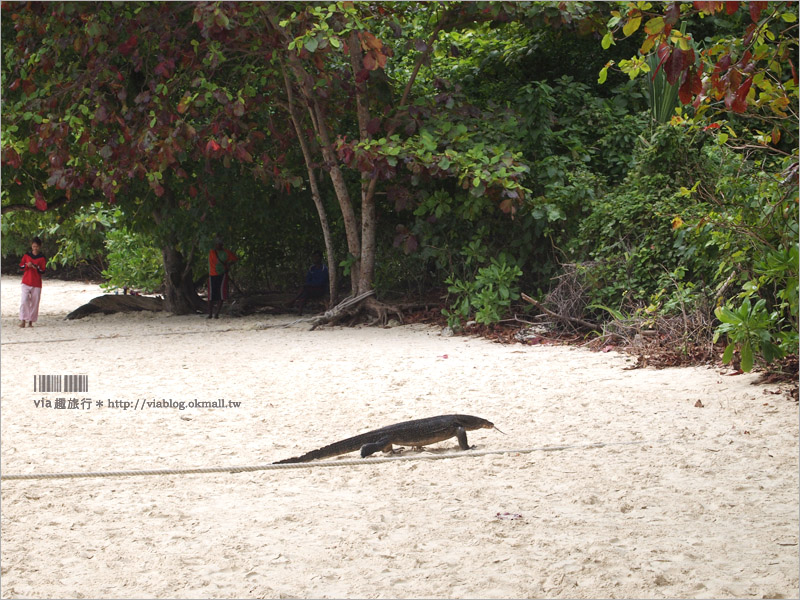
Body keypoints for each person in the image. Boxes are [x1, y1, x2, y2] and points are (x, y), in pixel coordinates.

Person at [288, 250, 329, 315]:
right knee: (305, 292)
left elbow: (321, 282)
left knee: (305, 288)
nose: (315, 258)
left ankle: (293, 301)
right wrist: (311, 284)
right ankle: (299, 312)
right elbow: (308, 279)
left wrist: (311, 284)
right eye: (314, 257)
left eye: (317, 257)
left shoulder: (324, 269)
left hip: (320, 289)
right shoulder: (312, 268)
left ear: (321, 258)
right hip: (311, 289)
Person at [19, 236, 47, 328]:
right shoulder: (27, 255)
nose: (35, 248)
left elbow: (43, 270)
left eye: (37, 246)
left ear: (40, 246)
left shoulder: (42, 258)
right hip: (26, 281)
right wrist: (27, 265)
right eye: (34, 246)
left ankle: (30, 321)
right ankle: (23, 319)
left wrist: (36, 267)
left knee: (35, 303)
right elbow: (21, 266)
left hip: (36, 283)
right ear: (31, 246)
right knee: (24, 300)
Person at [207, 237, 238, 319]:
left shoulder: (226, 252)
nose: (218, 245)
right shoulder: (211, 252)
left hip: (222, 274)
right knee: (211, 296)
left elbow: (235, 259)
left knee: (221, 294)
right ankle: (210, 314)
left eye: (219, 244)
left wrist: (228, 265)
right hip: (212, 274)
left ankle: (216, 314)